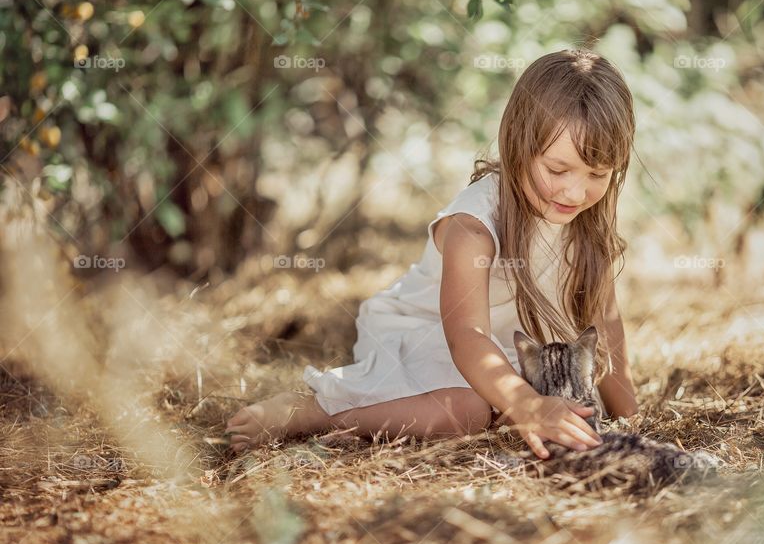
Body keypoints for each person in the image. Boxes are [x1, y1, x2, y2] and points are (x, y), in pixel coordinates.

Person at [226, 48, 640, 459]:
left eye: (597, 175)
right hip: (428, 337)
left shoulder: (586, 224)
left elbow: (606, 324)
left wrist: (632, 418)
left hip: (508, 350)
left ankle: (506, 402)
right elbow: (467, 337)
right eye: (557, 170)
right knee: (468, 411)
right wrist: (528, 404)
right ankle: (315, 413)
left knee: (543, 405)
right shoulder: (472, 228)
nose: (575, 191)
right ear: (519, 145)